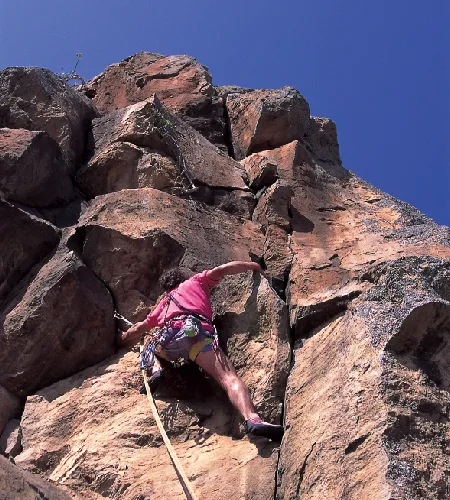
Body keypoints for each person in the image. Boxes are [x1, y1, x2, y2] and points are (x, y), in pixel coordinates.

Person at [118, 261, 284, 441]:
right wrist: (253, 265)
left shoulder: (164, 303)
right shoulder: (195, 281)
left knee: (150, 344)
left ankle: (157, 370)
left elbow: (140, 328)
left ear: (167, 288)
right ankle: (252, 419)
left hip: (170, 341)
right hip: (197, 337)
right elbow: (222, 270)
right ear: (183, 278)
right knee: (229, 378)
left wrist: (123, 337)